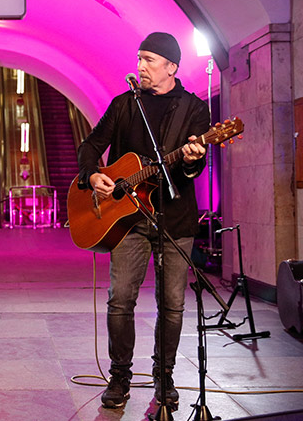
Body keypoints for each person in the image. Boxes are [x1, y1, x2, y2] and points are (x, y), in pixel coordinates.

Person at [76, 32, 209, 409]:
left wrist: (191, 158)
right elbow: (90, 145)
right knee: (121, 300)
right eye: (139, 58)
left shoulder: (194, 109)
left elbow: (194, 169)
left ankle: (163, 377)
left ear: (171, 66)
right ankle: (120, 377)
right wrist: (92, 175)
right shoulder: (123, 105)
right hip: (127, 222)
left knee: (172, 305)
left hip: (175, 219)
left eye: (149, 59)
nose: (140, 66)